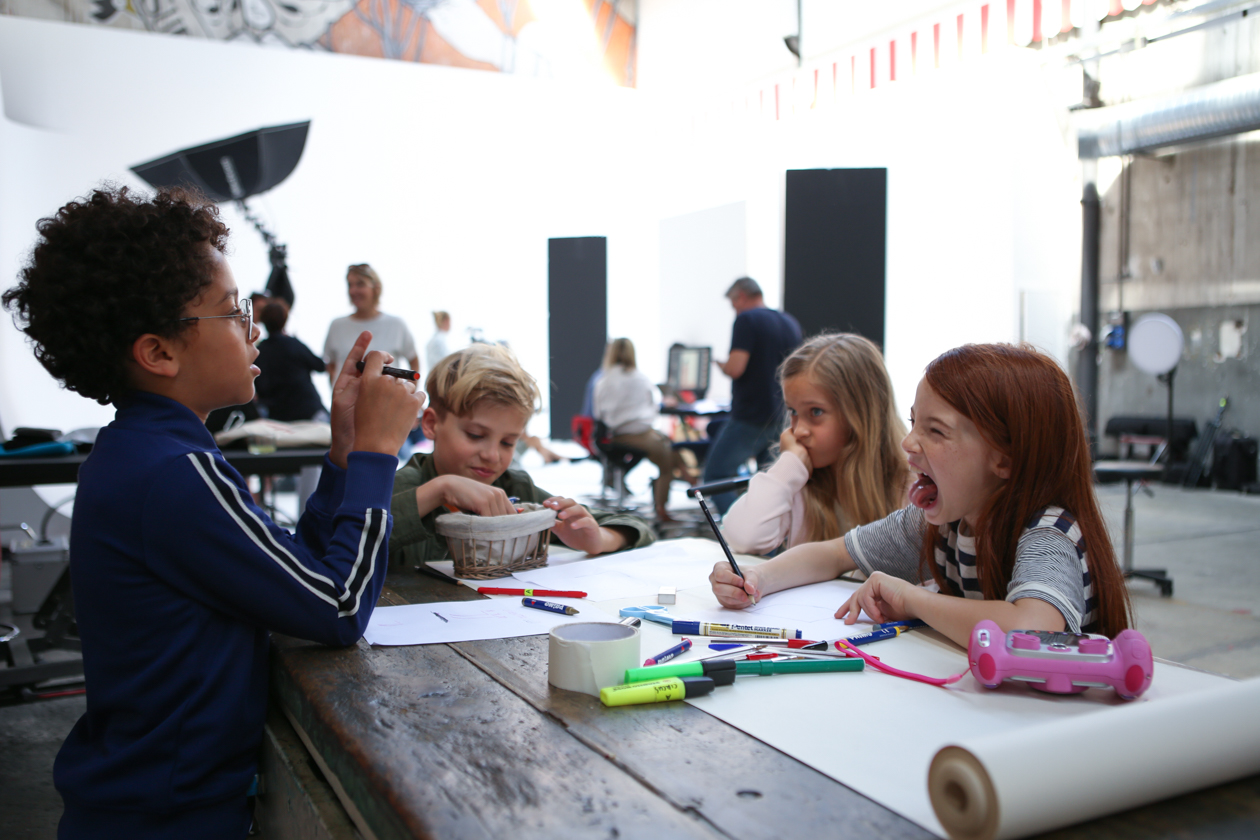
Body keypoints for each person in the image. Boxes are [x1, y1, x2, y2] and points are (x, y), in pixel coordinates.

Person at [0, 186, 423, 839]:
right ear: (159, 353)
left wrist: (341, 452)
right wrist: (375, 454)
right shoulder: (174, 475)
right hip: (169, 821)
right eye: (233, 313)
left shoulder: (145, 454)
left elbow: (293, 573)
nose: (252, 328)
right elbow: (337, 607)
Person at [710, 343, 1132, 648]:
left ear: (1004, 459)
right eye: (914, 423)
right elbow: (833, 554)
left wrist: (914, 600)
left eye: (935, 431)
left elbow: (1034, 629)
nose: (909, 442)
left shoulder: (1049, 532)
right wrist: (758, 578)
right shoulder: (938, 521)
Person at [390, 343, 655, 567]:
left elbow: (636, 526)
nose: (493, 456)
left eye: (507, 442)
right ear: (431, 424)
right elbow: (355, 540)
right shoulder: (396, 489)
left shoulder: (514, 488)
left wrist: (598, 539)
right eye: (475, 435)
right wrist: (439, 490)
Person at [722, 333, 909, 555]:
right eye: (793, 411)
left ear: (860, 413)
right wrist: (789, 465)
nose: (799, 430)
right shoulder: (800, 480)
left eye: (816, 412)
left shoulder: (909, 484)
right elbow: (743, 538)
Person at [703, 276, 802, 514]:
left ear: (742, 296)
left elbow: (736, 367)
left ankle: (738, 527)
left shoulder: (746, 320)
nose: (734, 310)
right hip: (782, 417)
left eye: (733, 304)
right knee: (769, 482)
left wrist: (721, 364)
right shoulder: (789, 321)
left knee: (715, 475)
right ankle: (767, 541)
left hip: (751, 415)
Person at [593, 338, 693, 521]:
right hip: (636, 434)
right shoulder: (641, 378)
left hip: (619, 433)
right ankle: (662, 507)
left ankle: (687, 479)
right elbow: (652, 407)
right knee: (666, 457)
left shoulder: (603, 380)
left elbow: (598, 413)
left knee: (669, 444)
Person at [323, 263, 419, 383]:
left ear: (376, 288)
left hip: (388, 400)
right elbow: (331, 364)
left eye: (360, 284)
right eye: (350, 285)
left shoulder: (396, 324)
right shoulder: (337, 325)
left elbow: (414, 360)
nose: (353, 290)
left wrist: (410, 391)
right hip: (348, 400)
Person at [254, 301, 328, 421]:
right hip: (308, 411)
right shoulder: (293, 344)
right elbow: (320, 366)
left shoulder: (259, 352)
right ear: (285, 319)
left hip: (277, 417)